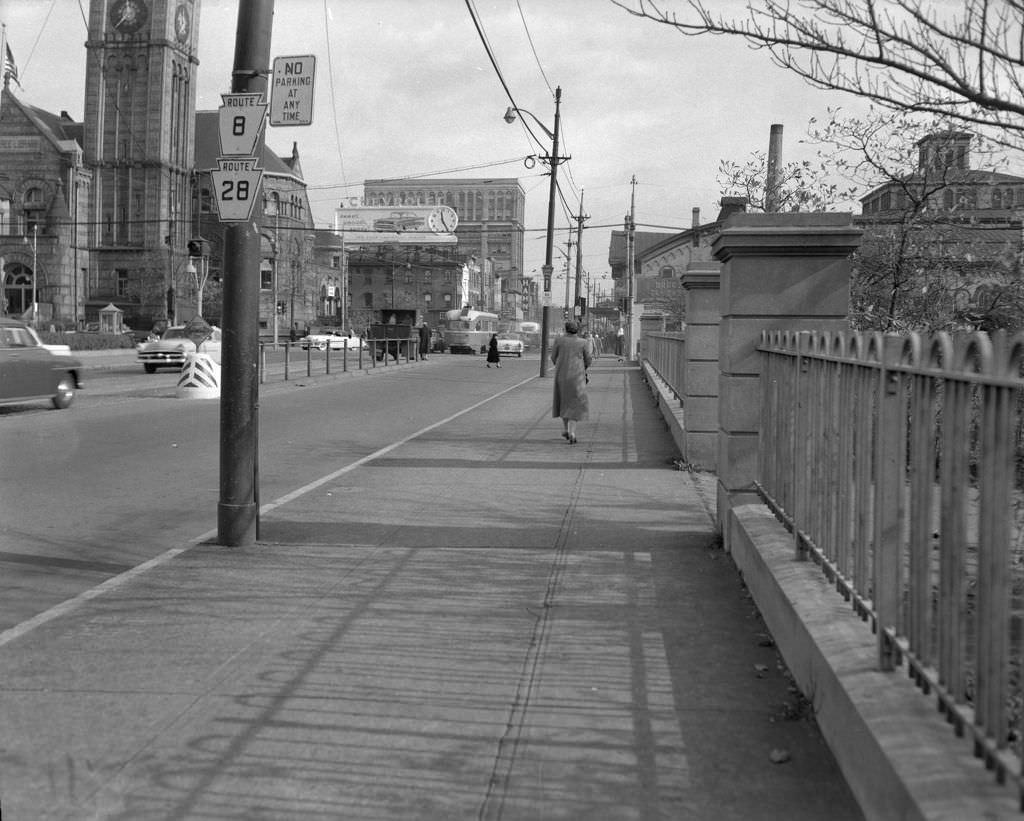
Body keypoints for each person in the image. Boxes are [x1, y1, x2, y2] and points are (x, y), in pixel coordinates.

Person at [551, 319, 592, 444]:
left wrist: (560, 365)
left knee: (563, 402)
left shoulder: (559, 340)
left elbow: (553, 357)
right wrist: (583, 367)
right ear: (577, 330)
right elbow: (588, 359)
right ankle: (572, 432)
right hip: (577, 377)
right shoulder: (583, 342)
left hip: (561, 376)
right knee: (575, 404)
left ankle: (565, 429)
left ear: (565, 329)